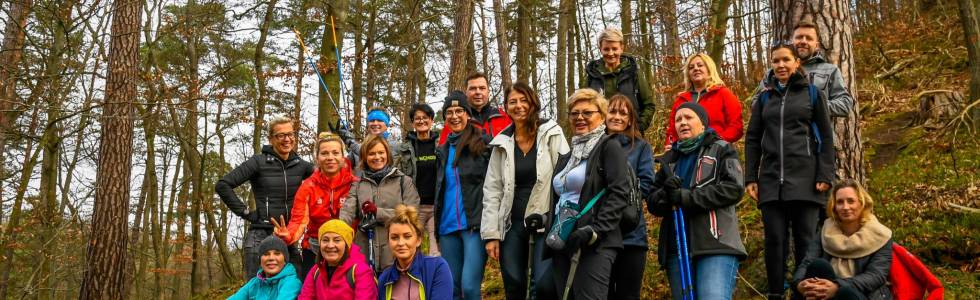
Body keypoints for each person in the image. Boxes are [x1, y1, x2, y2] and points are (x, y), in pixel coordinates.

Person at [745, 44, 836, 299]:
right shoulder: (764, 98)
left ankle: (804, 293)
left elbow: (826, 138)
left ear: (797, 62)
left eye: (786, 60)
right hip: (771, 181)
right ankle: (775, 293)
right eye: (776, 61)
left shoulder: (813, 94)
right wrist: (751, 177)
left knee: (806, 241)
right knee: (774, 241)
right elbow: (753, 138)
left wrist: (824, 174)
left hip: (806, 180)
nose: (781, 65)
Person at [648, 102, 747, 300]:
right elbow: (652, 202)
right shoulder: (669, 160)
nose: (682, 122)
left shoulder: (721, 149)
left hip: (716, 243)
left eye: (688, 117)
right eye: (678, 119)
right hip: (677, 247)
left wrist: (686, 197)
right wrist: (666, 194)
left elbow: (733, 189)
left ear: (702, 123)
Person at [482, 82, 569, 300]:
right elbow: (492, 190)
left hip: (545, 221)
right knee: (514, 283)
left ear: (533, 103)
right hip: (511, 224)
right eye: (513, 101)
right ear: (506, 107)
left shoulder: (551, 132)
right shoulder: (502, 142)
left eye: (524, 100)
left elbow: (566, 175)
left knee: (544, 285)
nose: (518, 106)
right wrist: (491, 235)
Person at [547, 88, 630, 299]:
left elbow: (619, 192)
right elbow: (561, 196)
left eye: (587, 113)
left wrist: (596, 230)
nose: (580, 118)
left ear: (601, 116)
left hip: (595, 241)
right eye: (574, 113)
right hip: (564, 236)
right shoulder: (567, 156)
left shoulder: (609, 147)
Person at [216, 116, 313, 279]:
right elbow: (223, 185)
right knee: (257, 290)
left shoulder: (301, 165)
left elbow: (328, 175)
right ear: (271, 139)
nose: (287, 139)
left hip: (287, 238)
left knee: (296, 288)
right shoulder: (258, 162)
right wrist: (247, 213)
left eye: (290, 134)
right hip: (260, 236)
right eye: (281, 135)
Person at [272, 133, 355, 280]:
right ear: (317, 158)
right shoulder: (308, 186)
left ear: (343, 157)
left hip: (349, 248)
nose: (330, 157)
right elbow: (298, 221)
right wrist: (289, 235)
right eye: (324, 153)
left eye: (335, 153)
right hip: (315, 248)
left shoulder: (355, 184)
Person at [793, 180, 893, 300]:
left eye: (851, 201)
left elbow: (876, 276)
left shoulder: (880, 234)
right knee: (819, 265)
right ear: (834, 206)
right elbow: (807, 262)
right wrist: (799, 284)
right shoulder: (826, 230)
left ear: (862, 203)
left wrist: (837, 286)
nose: (845, 207)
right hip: (825, 292)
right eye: (840, 202)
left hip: (862, 295)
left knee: (845, 292)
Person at [434, 92, 492, 300]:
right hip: (447, 227)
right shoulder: (442, 150)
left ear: (468, 114)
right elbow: (440, 190)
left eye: (459, 111)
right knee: (453, 289)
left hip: (474, 226)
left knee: (469, 286)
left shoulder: (483, 143)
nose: (454, 116)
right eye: (449, 112)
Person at [339, 134, 421, 271]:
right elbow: (347, 211)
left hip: (395, 252)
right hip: (365, 250)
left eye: (381, 152)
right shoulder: (358, 184)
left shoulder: (403, 181)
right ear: (365, 157)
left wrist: (378, 212)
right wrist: (336, 230)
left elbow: (412, 214)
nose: (377, 157)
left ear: (387, 154)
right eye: (371, 154)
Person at [604, 94, 656, 300]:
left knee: (628, 295)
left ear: (630, 119)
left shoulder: (641, 147)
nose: (617, 117)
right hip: (600, 235)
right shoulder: (594, 145)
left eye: (622, 113)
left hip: (631, 234)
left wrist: (619, 196)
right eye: (612, 111)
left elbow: (646, 183)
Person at [755, 20, 854, 118]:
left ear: (816, 45)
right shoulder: (773, 73)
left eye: (809, 38)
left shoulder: (830, 70)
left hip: (816, 133)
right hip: (778, 133)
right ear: (791, 41)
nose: (803, 41)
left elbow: (845, 105)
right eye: (799, 37)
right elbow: (755, 103)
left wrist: (810, 105)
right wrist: (779, 105)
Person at [664, 53, 743, 148]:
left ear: (709, 69)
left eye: (700, 65)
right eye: (691, 67)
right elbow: (672, 131)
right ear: (688, 74)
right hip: (686, 154)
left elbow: (736, 126)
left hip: (717, 152)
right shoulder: (681, 100)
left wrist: (717, 142)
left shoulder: (723, 94)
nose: (696, 68)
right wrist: (671, 146)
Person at [585, 27, 656, 131]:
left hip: (630, 135)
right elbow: (586, 106)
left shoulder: (633, 72)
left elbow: (649, 105)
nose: (610, 53)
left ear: (621, 48)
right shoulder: (593, 75)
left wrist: (638, 127)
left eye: (614, 49)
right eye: (606, 49)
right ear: (600, 48)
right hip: (600, 136)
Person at [378, 205, 454, 300]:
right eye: (394, 237)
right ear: (388, 241)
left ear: (418, 240)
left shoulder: (437, 268)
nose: (400, 243)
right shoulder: (384, 279)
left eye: (407, 236)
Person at [397, 103, 441, 256]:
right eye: (417, 119)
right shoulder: (404, 149)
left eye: (425, 118)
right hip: (414, 208)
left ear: (431, 120)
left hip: (437, 207)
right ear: (413, 122)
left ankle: (433, 279)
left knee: (436, 252)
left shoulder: (441, 145)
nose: (421, 121)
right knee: (411, 250)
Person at [297, 220, 378, 300]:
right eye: (325, 240)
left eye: (337, 240)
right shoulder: (316, 271)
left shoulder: (361, 272)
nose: (330, 245)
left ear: (347, 244)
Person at [438, 73, 512, 144]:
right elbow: (443, 152)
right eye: (472, 88)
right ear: (466, 92)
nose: (477, 92)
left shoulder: (503, 117)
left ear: (488, 91)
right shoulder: (455, 122)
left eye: (482, 88)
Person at [229, 236, 303, 300]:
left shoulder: (291, 282)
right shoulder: (254, 282)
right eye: (266, 254)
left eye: (277, 254)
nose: (271, 258)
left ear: (285, 260)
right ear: (260, 260)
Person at [336, 107, 400, 172]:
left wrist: (350, 142)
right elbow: (339, 168)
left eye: (380, 120)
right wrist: (336, 140)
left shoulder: (396, 146)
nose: (375, 123)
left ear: (387, 125)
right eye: (372, 120)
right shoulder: (355, 150)